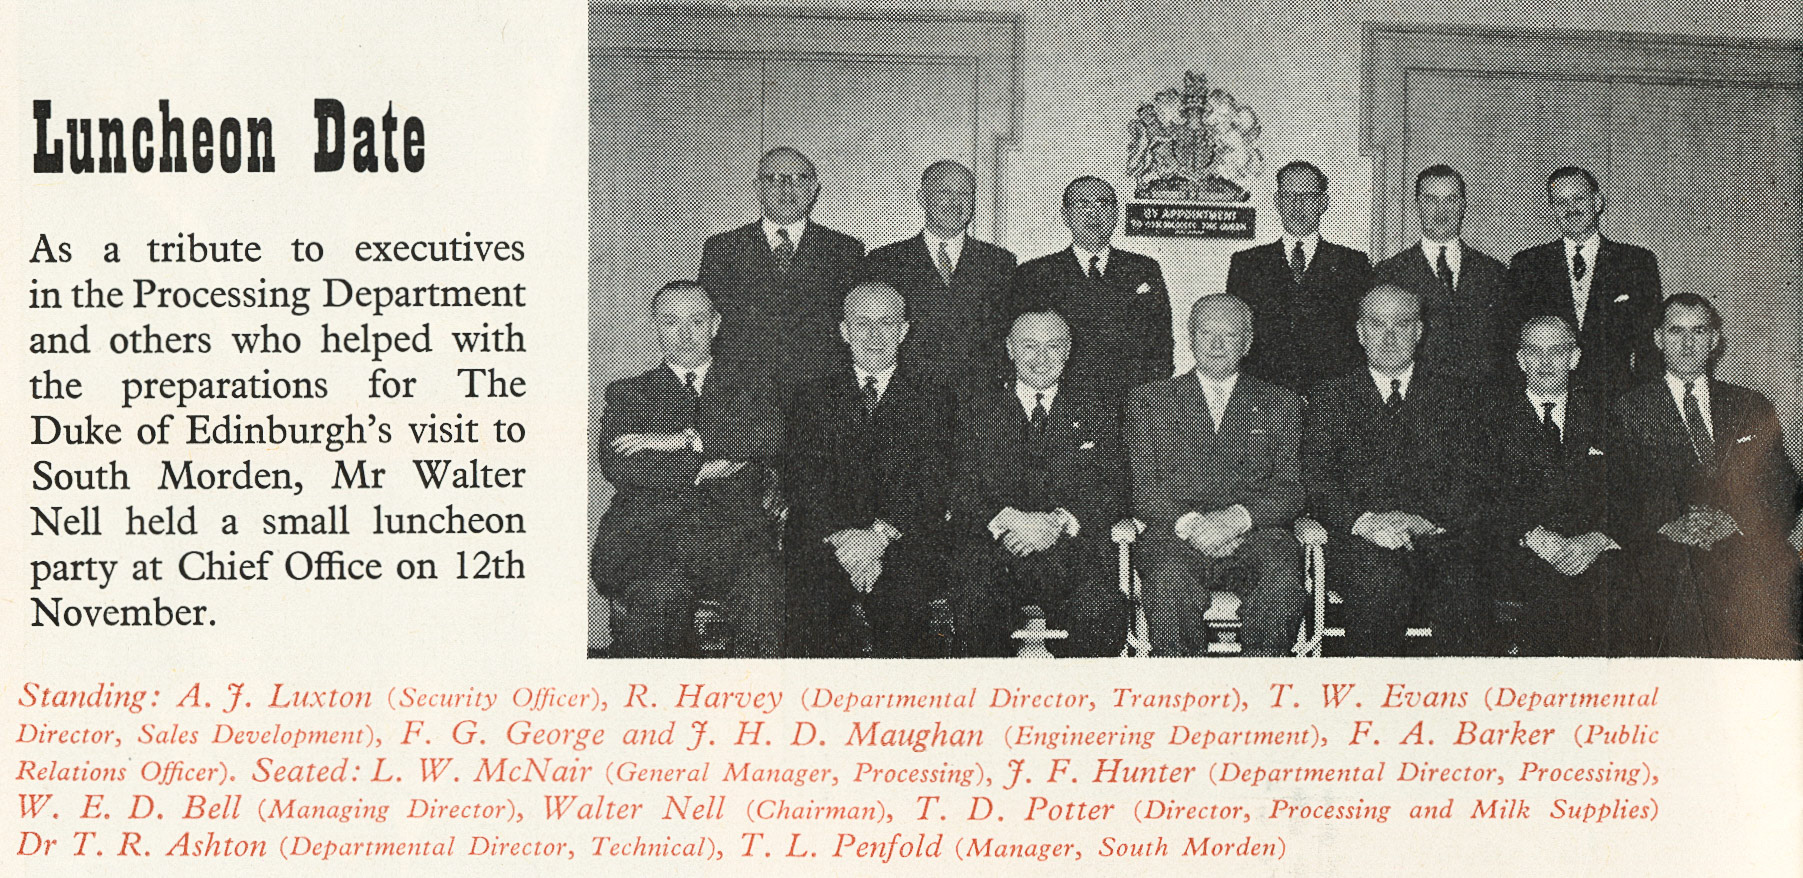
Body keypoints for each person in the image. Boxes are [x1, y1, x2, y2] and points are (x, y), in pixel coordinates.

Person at [591, 281, 784, 657]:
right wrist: (701, 468)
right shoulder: (628, 393)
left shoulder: (754, 387)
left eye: (696, 321)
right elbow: (620, 464)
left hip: (736, 541)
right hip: (653, 543)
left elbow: (767, 438)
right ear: (656, 326)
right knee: (659, 598)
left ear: (715, 324)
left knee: (768, 595)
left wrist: (680, 440)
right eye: (671, 322)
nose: (684, 335)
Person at [1610, 293, 1799, 658]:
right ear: (1658, 339)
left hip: (1740, 547)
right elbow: (1615, 492)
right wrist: (1668, 524)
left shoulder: (1750, 404)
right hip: (1663, 553)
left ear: (1714, 340)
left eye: (1698, 332)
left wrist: (1734, 520)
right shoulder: (1630, 409)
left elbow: (1783, 486)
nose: (1687, 343)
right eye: (1676, 331)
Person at [1302, 285, 1487, 655]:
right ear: (1360, 332)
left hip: (1436, 536)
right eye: (1376, 325)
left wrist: (1426, 520)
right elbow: (1317, 480)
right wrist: (1367, 523)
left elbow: (1472, 475)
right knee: (1379, 584)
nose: (1389, 337)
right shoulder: (1329, 397)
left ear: (1418, 331)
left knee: (1465, 586)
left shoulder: (1457, 396)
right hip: (1359, 541)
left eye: (1401, 325)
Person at [1125, 294, 1306, 656]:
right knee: (1166, 579)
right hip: (1175, 535)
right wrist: (1195, 524)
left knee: (1283, 578)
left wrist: (1236, 519)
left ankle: (1264, 684)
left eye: (1230, 335)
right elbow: (1142, 489)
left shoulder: (1282, 403)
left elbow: (1291, 490)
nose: (1217, 344)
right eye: (1207, 334)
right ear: (1190, 337)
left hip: (1257, 534)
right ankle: (1183, 687)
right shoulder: (1149, 400)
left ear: (1248, 342)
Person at [784, 283, 956, 657]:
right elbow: (801, 479)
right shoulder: (810, 396)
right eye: (863, 324)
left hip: (902, 538)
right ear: (844, 331)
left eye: (886, 323)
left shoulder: (936, 396)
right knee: (812, 606)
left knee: (903, 606)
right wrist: (844, 539)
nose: (875, 336)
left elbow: (934, 481)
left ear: (904, 330)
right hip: (828, 539)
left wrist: (878, 537)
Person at [952, 310, 1127, 657]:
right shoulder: (975, 408)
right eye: (1030, 346)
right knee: (976, 606)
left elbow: (1113, 486)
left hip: (1072, 551)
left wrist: (1058, 520)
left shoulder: (1099, 410)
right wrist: (1011, 519)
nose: (1041, 358)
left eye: (1053, 346)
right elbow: (960, 485)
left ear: (1068, 350)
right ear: (1010, 349)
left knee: (1099, 610)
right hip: (997, 549)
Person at [1479, 316, 1619, 655]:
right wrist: (1532, 535)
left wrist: (1597, 538)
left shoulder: (1604, 414)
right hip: (1518, 547)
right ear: (1520, 359)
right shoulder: (1489, 416)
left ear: (1574, 358)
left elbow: (1627, 489)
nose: (1545, 362)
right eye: (1534, 351)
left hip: (1590, 549)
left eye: (1556, 351)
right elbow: (1480, 494)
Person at [698, 146, 865, 393]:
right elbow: (707, 327)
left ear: (813, 189)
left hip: (820, 396)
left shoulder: (845, 250)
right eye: (774, 179)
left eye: (799, 179)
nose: (787, 188)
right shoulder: (723, 249)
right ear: (757, 188)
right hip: (744, 396)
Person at [1006, 176, 1173, 402]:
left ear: (1115, 214)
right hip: (1063, 407)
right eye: (1083, 204)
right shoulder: (1035, 273)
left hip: (1128, 404)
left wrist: (1147, 403)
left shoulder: (1143, 269)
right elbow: (1018, 346)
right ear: (1066, 215)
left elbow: (1161, 346)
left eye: (1103, 204)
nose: (1093, 213)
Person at [857, 160, 1017, 393]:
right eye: (944, 192)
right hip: (909, 399)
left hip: (978, 401)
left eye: (964, 193)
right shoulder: (884, 262)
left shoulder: (999, 262)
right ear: (922, 198)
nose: (955, 202)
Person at [1509, 166, 1662, 400]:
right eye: (1561, 201)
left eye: (1578, 198)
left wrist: (1643, 403)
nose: (1570, 208)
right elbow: (1512, 341)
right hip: (1550, 401)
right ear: (1552, 208)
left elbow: (1649, 346)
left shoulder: (1636, 262)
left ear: (1597, 202)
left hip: (1616, 400)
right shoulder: (1528, 265)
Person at [1225, 160, 1372, 396]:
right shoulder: (1247, 264)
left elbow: (1362, 339)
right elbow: (1236, 335)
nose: (1297, 205)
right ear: (1277, 201)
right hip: (1265, 398)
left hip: (1333, 400)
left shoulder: (1353, 264)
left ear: (1323, 202)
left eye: (1308, 196)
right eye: (1289, 196)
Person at [1372, 164, 1517, 383]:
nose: (1441, 211)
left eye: (1451, 200)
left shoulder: (1494, 273)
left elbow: (1508, 350)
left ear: (1463, 205)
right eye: (1431, 200)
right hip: (1419, 400)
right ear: (1418, 205)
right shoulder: (1389, 273)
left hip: (1482, 399)